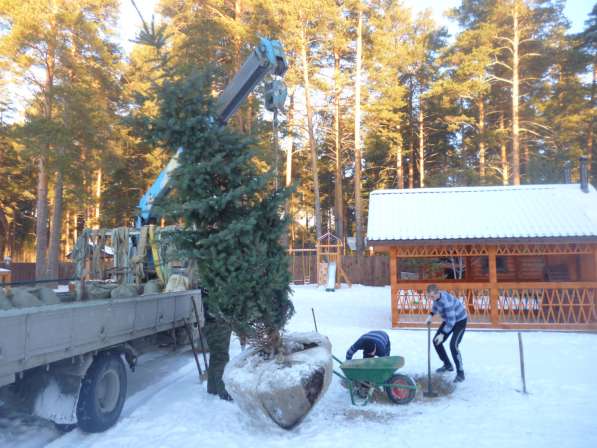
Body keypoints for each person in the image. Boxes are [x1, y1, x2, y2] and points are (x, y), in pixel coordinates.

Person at [425, 284, 467, 383]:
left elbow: (452, 322)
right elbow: (436, 306)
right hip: (449, 319)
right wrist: (430, 315)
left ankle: (461, 373)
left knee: (453, 346)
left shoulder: (446, 302)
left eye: (432, 296)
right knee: (436, 342)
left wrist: (443, 334)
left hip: (459, 321)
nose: (431, 299)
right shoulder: (437, 298)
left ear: (437, 293)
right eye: (429, 296)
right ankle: (447, 365)